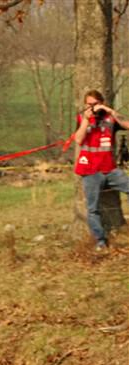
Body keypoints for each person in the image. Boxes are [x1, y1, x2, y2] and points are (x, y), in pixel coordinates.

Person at [73, 89, 129, 250]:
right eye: (89, 104)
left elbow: (127, 124)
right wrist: (86, 119)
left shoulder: (110, 118)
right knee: (93, 208)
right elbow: (78, 139)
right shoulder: (81, 118)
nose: (92, 108)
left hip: (110, 170)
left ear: (102, 103)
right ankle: (100, 241)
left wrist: (112, 112)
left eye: (95, 104)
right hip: (90, 171)